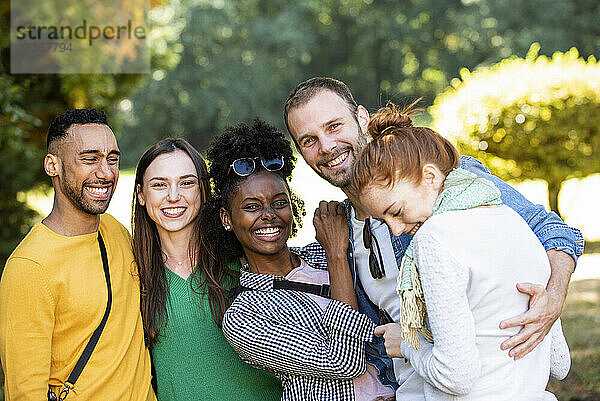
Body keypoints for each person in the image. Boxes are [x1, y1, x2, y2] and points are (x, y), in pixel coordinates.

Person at [283, 77, 584, 397]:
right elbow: (357, 341)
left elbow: (552, 231)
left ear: (361, 117)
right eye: (308, 140)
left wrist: (551, 300)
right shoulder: (339, 227)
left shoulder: (441, 181)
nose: (326, 147)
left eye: (333, 126)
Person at [351, 103, 570, 399]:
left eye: (397, 211)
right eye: (383, 220)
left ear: (430, 177)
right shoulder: (513, 220)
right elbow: (559, 363)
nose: (396, 229)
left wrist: (407, 343)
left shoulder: (434, 239)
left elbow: (455, 377)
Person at [204, 119, 396, 400]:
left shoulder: (319, 253)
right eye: (251, 207)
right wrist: (336, 256)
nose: (269, 215)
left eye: (280, 203)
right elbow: (344, 362)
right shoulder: (245, 315)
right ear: (226, 219)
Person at [0, 109, 155, 400]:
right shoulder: (30, 267)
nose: (106, 173)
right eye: (89, 159)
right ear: (52, 165)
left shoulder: (116, 231)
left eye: (112, 159)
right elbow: (24, 391)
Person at [132, 138, 282, 400]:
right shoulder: (134, 273)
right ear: (141, 195)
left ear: (203, 191)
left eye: (187, 183)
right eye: (159, 185)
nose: (174, 196)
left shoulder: (243, 259)